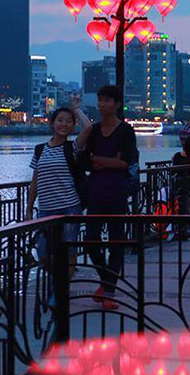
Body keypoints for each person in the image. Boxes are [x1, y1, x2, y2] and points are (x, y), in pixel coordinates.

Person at [75, 85, 138, 310]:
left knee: (116, 241)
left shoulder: (125, 131)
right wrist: (106, 161)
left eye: (107, 100)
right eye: (100, 100)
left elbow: (125, 163)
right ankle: (106, 280)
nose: (102, 104)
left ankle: (109, 290)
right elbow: (84, 159)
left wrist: (99, 160)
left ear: (117, 104)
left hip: (116, 191)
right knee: (90, 240)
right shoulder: (94, 130)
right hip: (96, 191)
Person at [26, 102, 91, 274]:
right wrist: (29, 209)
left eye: (68, 121)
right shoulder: (40, 150)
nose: (64, 124)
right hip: (46, 209)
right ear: (52, 123)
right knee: (43, 253)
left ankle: (62, 294)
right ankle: (55, 285)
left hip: (69, 206)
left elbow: (89, 128)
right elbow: (35, 181)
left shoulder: (72, 147)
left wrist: (76, 109)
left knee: (69, 251)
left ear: (73, 125)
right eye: (60, 120)